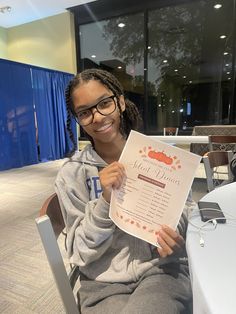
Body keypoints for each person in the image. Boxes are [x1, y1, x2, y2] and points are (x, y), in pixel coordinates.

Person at [55, 68, 193, 314]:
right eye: (84, 112)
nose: (97, 117)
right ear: (78, 120)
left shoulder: (158, 156)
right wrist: (104, 201)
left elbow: (184, 209)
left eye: (104, 103)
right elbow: (79, 253)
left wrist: (176, 231)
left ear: (119, 102)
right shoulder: (72, 175)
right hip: (101, 285)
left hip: (161, 270)